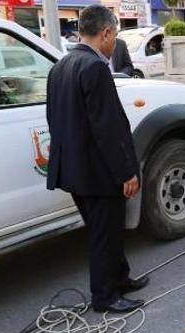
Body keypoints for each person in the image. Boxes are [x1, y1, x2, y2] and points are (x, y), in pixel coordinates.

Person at [46, 5, 146, 313]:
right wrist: (126, 172)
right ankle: (105, 296)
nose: (114, 41)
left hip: (76, 171)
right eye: (114, 34)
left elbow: (54, 120)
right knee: (104, 235)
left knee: (107, 229)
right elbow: (108, 128)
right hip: (98, 172)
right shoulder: (94, 68)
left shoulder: (60, 66)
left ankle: (121, 277)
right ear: (105, 33)